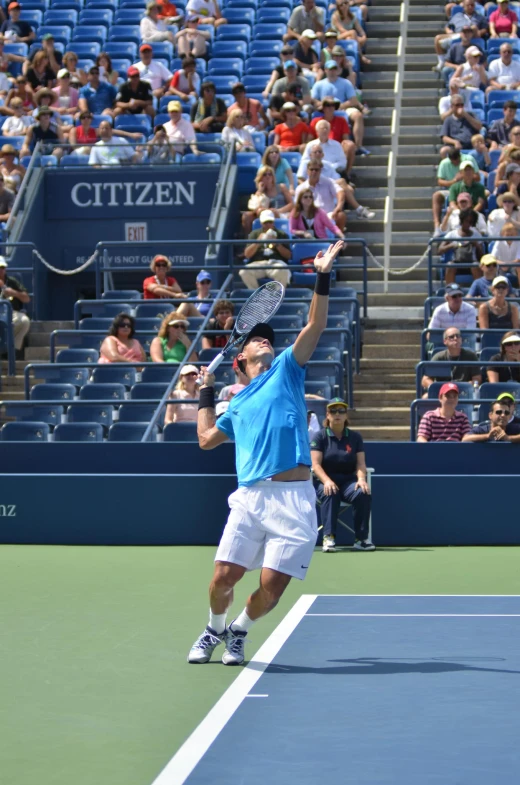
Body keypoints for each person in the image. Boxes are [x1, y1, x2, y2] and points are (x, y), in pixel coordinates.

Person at [188, 240, 344, 666]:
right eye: (256, 340)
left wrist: (323, 274)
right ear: (238, 360)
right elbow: (204, 440)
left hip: (295, 500)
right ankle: (213, 628)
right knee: (223, 577)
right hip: (251, 496)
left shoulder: (287, 371)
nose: (263, 341)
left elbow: (314, 324)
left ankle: (238, 631)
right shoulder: (234, 404)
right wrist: (204, 391)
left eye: (266, 339)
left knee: (271, 588)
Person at [311, 398, 374, 553]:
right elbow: (315, 465)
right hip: (324, 481)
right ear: (327, 414)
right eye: (333, 411)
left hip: (348, 482)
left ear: (346, 415)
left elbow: (360, 464)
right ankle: (329, 537)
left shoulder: (355, 437)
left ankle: (361, 539)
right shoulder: (319, 437)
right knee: (331, 492)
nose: (337, 414)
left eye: (341, 411)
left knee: (362, 493)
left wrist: (361, 479)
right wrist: (326, 481)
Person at [240, 209, 292, 289]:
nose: (268, 225)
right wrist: (257, 242)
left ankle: (276, 298)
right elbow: (247, 255)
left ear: (273, 222)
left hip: (275, 263)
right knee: (244, 272)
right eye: (265, 223)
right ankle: (257, 297)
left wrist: (277, 244)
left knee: (283, 271)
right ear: (261, 223)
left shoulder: (282, 234)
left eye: (270, 222)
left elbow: (288, 256)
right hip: (258, 263)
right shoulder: (255, 234)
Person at [421, 327, 480, 393]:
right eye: (451, 337)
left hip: (464, 392)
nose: (455, 338)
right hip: (444, 393)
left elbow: (477, 378)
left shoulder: (471, 356)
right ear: (445, 341)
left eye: (458, 336)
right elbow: (425, 379)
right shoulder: (438, 357)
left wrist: (470, 384)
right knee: (425, 399)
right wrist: (437, 389)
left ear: (461, 339)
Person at [295, 158, 347, 232]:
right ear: (307, 171)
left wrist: (338, 207)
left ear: (320, 171)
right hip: (309, 218)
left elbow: (340, 192)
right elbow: (297, 207)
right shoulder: (301, 188)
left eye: (316, 170)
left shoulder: (329, 182)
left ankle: (339, 240)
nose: (314, 172)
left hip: (329, 216)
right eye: (311, 169)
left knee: (341, 216)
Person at [242, 165, 293, 235]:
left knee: (272, 213)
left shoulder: (281, 187)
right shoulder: (260, 192)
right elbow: (256, 209)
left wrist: (278, 211)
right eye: (265, 175)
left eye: (270, 174)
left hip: (282, 213)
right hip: (267, 215)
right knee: (246, 216)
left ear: (273, 176)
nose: (268, 176)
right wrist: (260, 191)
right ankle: (248, 239)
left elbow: (291, 204)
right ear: (260, 178)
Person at [438, 207, 484, 284]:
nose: (468, 224)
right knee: (450, 265)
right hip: (457, 262)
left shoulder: (477, 235)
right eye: (466, 221)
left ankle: (478, 291)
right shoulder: (452, 234)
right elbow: (439, 250)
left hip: (471, 263)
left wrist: (476, 245)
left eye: (470, 222)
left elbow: (482, 257)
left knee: (476, 265)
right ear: (462, 220)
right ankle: (450, 290)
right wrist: (452, 245)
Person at [0, 256, 30, 356]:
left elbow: (27, 298)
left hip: (11, 313)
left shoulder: (12, 282)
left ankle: (11, 352)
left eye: (2, 268)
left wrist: (13, 293)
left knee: (24, 321)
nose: (1, 270)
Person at [330, 0, 370, 65]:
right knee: (353, 32)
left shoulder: (352, 16)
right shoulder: (335, 16)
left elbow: (360, 29)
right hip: (337, 36)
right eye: (341, 5)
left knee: (350, 38)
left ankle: (356, 57)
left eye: (346, 3)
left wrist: (363, 36)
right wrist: (355, 36)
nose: (344, 6)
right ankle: (361, 56)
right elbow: (341, 30)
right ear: (338, 7)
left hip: (349, 37)